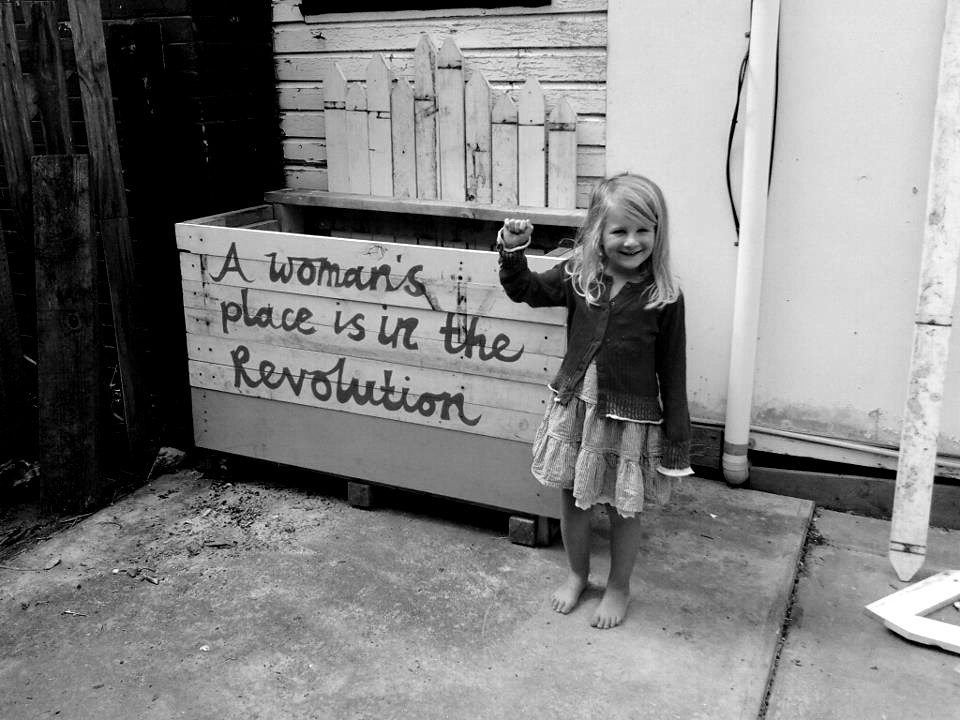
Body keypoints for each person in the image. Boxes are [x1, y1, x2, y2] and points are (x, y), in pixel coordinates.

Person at [497, 173, 693, 629]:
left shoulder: (665, 297)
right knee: (574, 500)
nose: (631, 241)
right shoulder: (577, 275)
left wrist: (676, 443)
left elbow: (674, 372)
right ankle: (577, 573)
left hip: (631, 420)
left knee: (624, 508)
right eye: (619, 230)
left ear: (658, 234)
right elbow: (524, 289)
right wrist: (512, 248)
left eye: (644, 230)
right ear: (597, 233)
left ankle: (619, 586)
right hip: (578, 410)